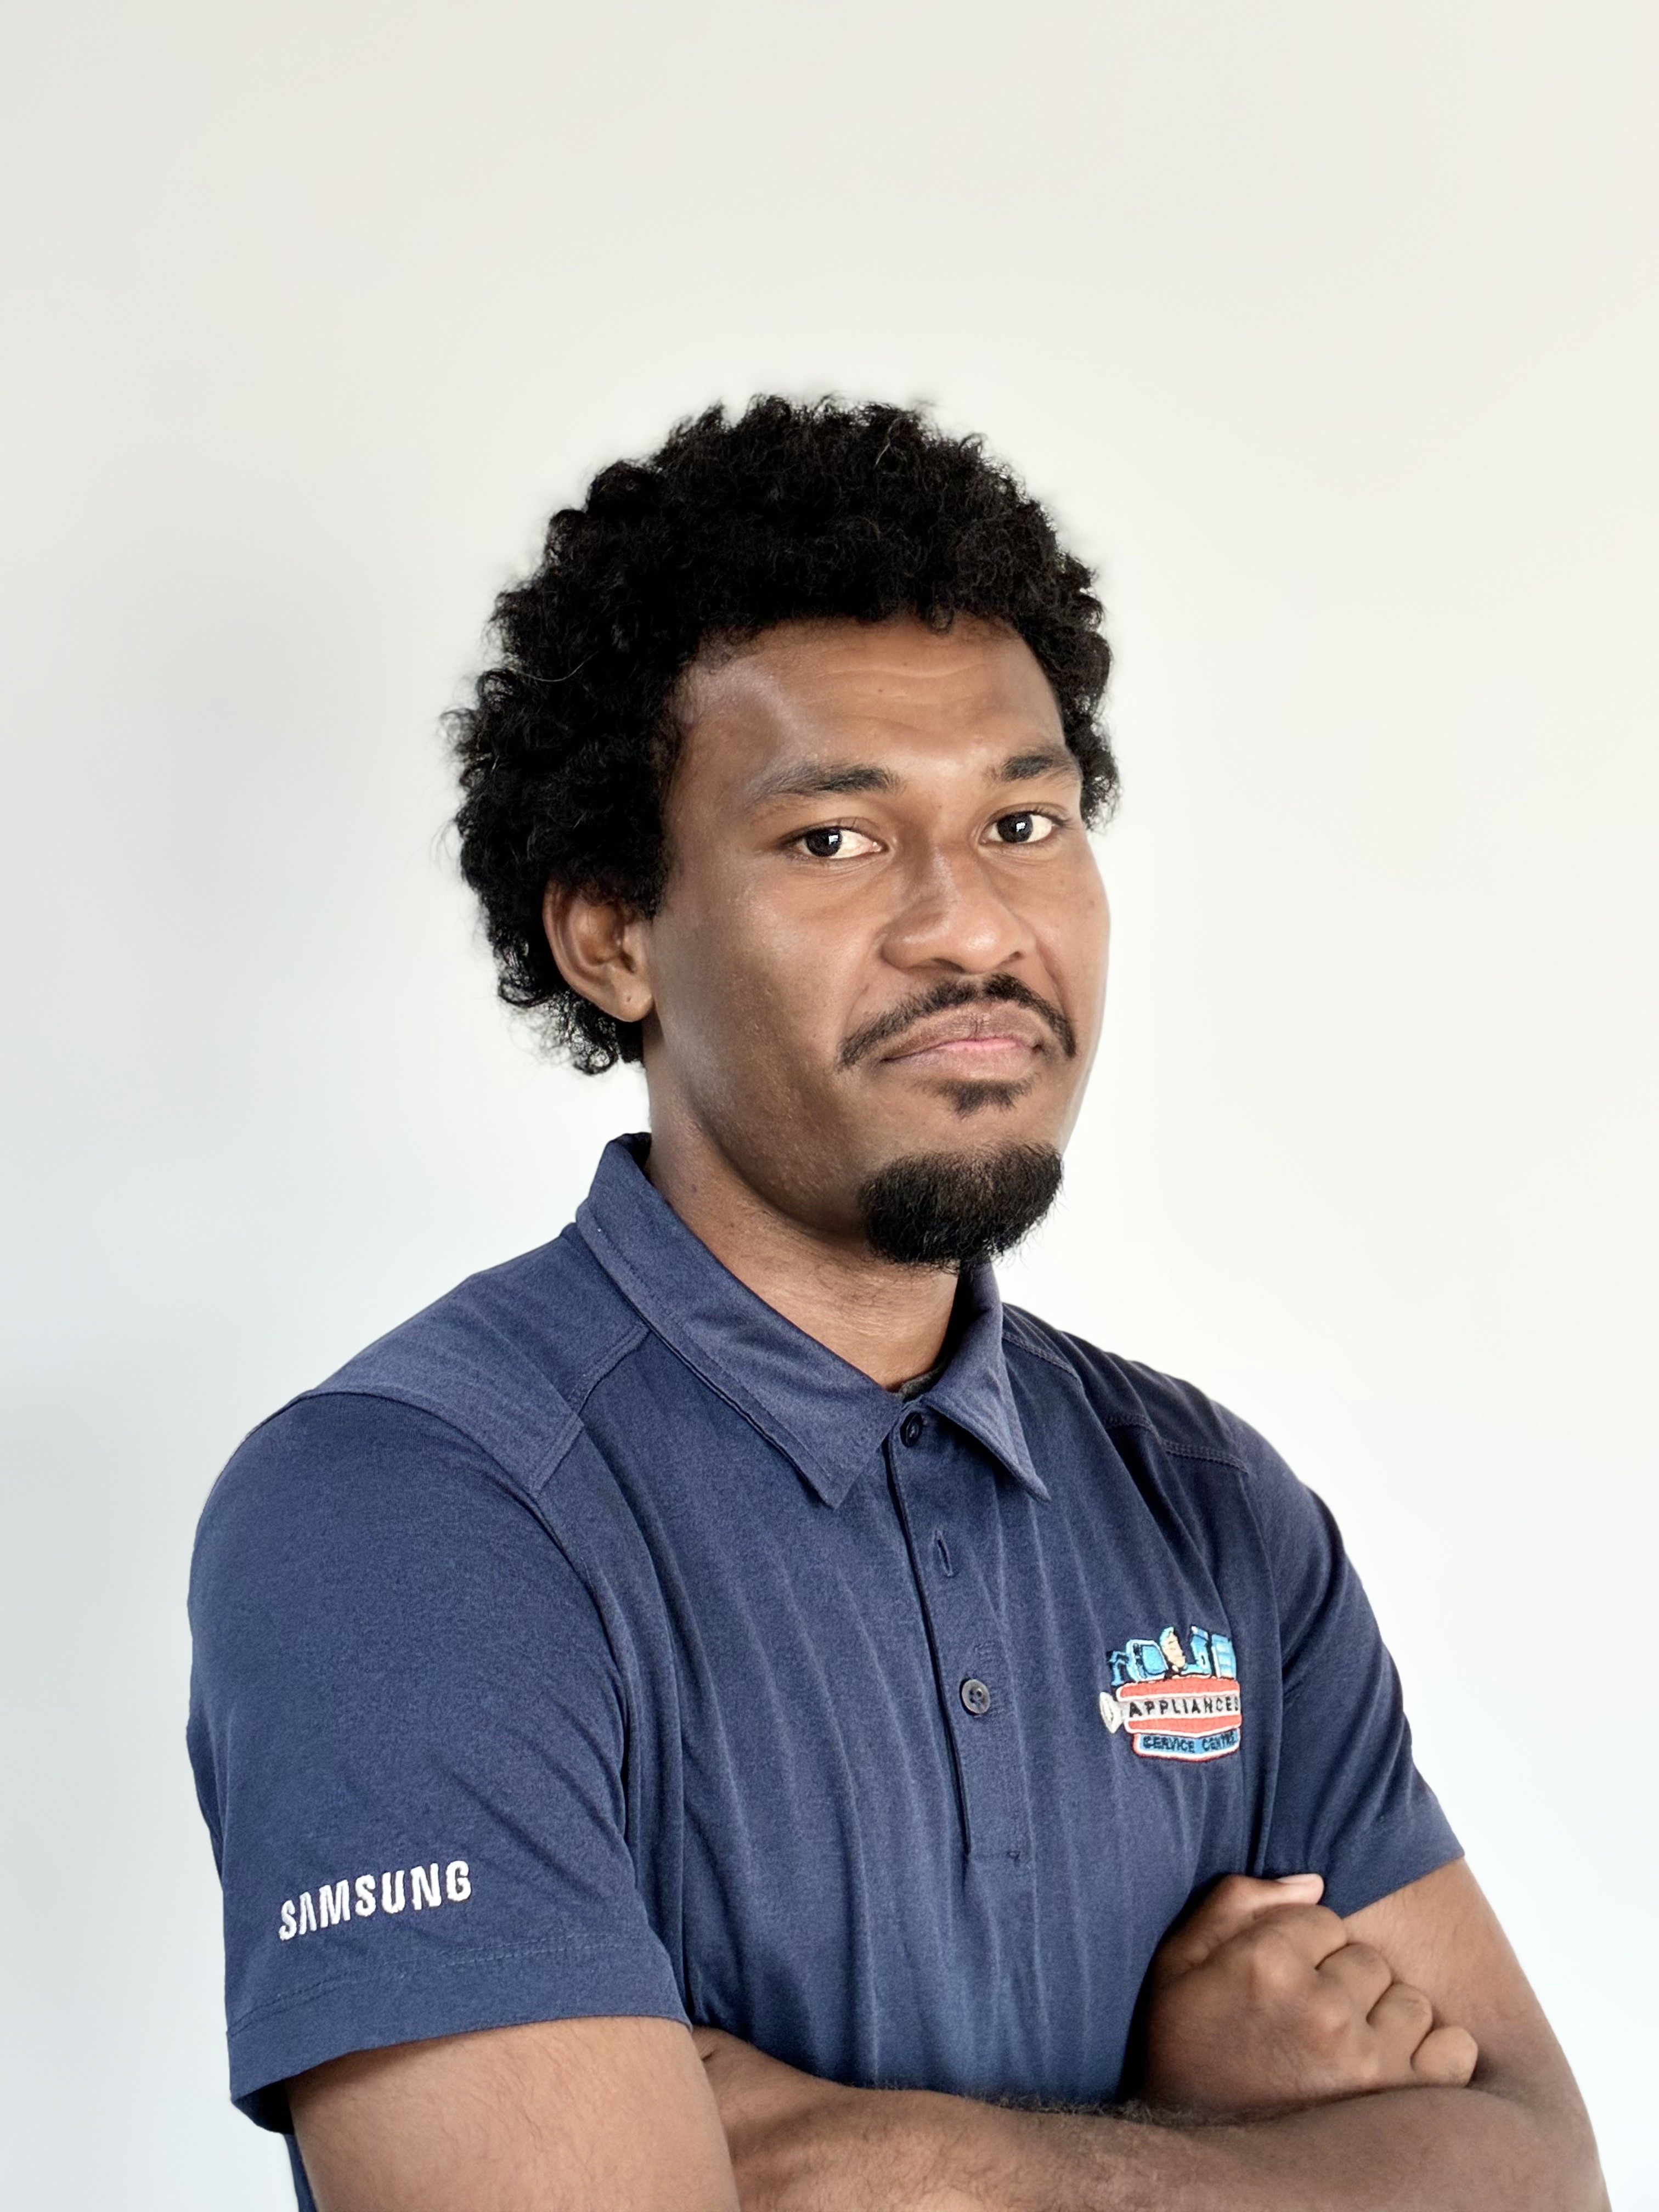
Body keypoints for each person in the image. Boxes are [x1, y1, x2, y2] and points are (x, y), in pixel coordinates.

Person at [187, 397, 1605, 2212]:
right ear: (612, 934)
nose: (973, 925)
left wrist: (897, 2161)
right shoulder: (409, 1518)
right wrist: (1268, 2157)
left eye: (1024, 819)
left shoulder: (1215, 1512)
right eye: (837, 841)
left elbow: (1541, 2170)